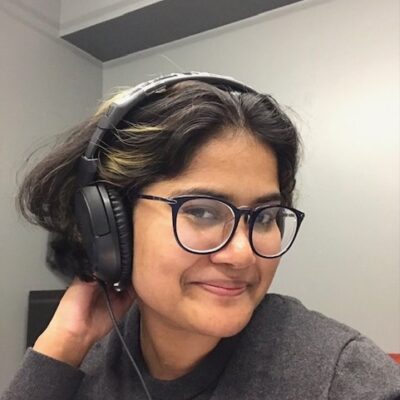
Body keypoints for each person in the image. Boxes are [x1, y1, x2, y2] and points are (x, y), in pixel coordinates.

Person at [1, 72, 399, 400]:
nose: (242, 255)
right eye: (203, 212)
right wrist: (61, 349)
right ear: (109, 225)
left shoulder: (342, 378)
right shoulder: (83, 362)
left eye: (265, 216)